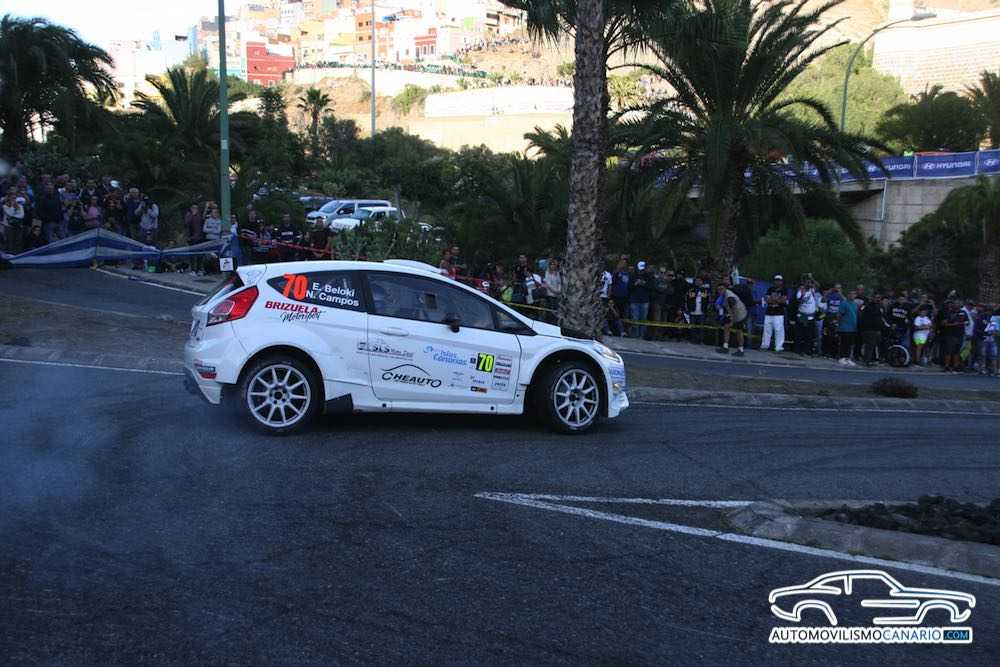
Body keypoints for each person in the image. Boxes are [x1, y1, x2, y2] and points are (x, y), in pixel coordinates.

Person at [715, 282, 748, 356]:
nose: (720, 291)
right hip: (732, 313)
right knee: (726, 327)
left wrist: (732, 321)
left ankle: (741, 350)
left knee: (739, 331)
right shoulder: (723, 295)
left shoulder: (729, 297)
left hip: (740, 314)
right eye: (718, 289)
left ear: (725, 289)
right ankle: (725, 347)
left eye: (721, 289)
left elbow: (733, 308)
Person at [793, 277, 819, 355]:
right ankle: (797, 350)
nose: (808, 284)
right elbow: (798, 301)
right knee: (799, 334)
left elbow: (818, 285)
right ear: (804, 283)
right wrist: (803, 294)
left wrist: (812, 278)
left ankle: (807, 350)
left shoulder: (812, 290)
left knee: (809, 334)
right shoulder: (800, 291)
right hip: (801, 316)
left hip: (810, 316)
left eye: (809, 283)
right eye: (807, 282)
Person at [761, 274, 787, 352]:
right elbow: (767, 300)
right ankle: (765, 345)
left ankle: (779, 347)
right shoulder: (770, 289)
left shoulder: (784, 290)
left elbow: (783, 301)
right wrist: (777, 299)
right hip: (769, 312)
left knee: (778, 330)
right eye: (776, 280)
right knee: (767, 329)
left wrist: (773, 299)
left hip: (779, 313)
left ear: (782, 281)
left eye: (779, 280)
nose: (777, 282)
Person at [859, 296, 886, 367]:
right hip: (869, 329)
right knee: (869, 346)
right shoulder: (868, 307)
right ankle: (867, 360)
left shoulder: (880, 307)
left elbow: (881, 318)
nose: (877, 299)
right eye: (876, 297)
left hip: (877, 330)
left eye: (879, 298)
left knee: (875, 346)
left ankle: (873, 359)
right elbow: (869, 317)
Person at [629, 261, 652, 338]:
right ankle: (635, 335)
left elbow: (651, 287)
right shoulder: (633, 276)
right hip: (634, 300)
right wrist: (635, 284)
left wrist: (643, 283)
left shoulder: (648, 276)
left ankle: (642, 335)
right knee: (634, 318)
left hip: (644, 301)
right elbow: (629, 287)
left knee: (643, 319)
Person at [837, 289, 859, 366]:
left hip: (852, 327)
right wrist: (840, 324)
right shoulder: (844, 303)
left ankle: (847, 358)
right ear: (848, 295)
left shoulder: (855, 304)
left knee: (850, 344)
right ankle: (841, 357)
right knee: (844, 343)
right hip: (845, 327)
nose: (852, 295)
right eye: (850, 294)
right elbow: (839, 315)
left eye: (854, 294)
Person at [609, 258, 631, 335]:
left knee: (622, 314)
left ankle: (621, 330)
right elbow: (612, 281)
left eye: (624, 263)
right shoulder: (616, 272)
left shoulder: (628, 273)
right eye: (622, 263)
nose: (623, 264)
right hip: (615, 295)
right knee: (614, 313)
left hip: (624, 296)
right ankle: (613, 330)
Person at [686, 276, 709, 345]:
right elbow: (689, 298)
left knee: (701, 327)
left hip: (701, 311)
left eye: (699, 280)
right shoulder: (691, 289)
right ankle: (693, 339)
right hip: (693, 311)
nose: (698, 282)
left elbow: (707, 299)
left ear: (702, 282)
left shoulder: (705, 290)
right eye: (697, 280)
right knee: (692, 327)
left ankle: (701, 340)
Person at [543, 257, 563, 323]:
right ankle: (549, 321)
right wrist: (555, 291)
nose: (553, 266)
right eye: (551, 264)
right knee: (550, 308)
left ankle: (555, 321)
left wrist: (559, 290)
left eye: (554, 264)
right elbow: (548, 284)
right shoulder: (547, 273)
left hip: (557, 294)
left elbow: (559, 282)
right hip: (550, 294)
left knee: (556, 308)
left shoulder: (557, 273)